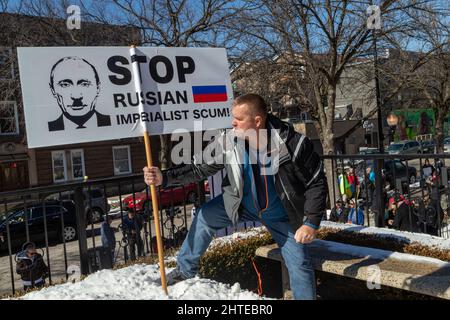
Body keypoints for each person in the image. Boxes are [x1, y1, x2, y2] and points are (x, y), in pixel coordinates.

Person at [143, 93, 328, 300]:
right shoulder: (230, 141)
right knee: (205, 215)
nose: (233, 123)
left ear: (257, 121)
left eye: (238, 119)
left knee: (299, 264)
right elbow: (199, 168)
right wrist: (164, 178)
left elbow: (316, 182)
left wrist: (310, 223)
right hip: (242, 205)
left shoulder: (293, 144)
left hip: (282, 215)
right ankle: (185, 271)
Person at [48, 56, 111, 131]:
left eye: (84, 84)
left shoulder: (113, 123)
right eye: (65, 85)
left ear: (98, 88)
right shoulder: (46, 129)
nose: (76, 96)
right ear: (53, 90)